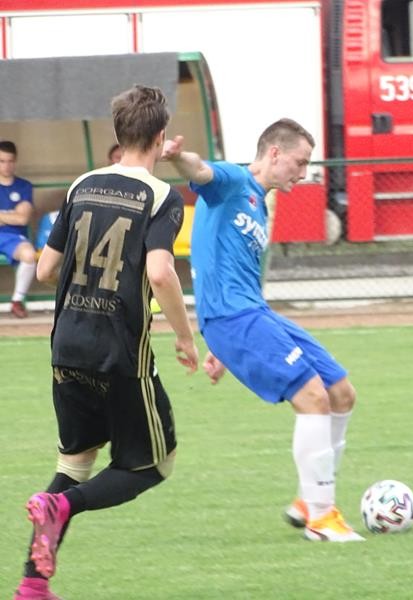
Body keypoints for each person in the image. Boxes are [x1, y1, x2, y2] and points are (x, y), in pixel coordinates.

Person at [14, 85, 198, 600]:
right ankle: (62, 506)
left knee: (74, 464)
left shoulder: (82, 184)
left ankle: (32, 585)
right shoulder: (161, 197)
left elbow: (46, 270)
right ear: (160, 138)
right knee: (152, 464)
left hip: (67, 346)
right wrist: (186, 337)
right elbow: (160, 273)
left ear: (117, 134)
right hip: (119, 353)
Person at [163, 118, 364, 543]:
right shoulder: (234, 181)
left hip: (251, 315)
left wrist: (224, 350)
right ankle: (322, 519)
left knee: (341, 391)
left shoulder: (260, 204)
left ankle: (310, 498)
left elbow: (236, 272)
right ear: (274, 153)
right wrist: (178, 157)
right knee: (312, 396)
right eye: (300, 162)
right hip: (232, 318)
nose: (303, 173)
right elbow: (201, 170)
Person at [35, 144, 124, 254]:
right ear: (110, 160)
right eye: (117, 157)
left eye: (123, 157)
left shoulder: (137, 183)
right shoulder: (98, 180)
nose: (120, 161)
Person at [0, 140, 37, 318]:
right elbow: (16, 216)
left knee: (30, 255)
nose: (6, 166)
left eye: (10, 161)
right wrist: (11, 215)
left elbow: (22, 218)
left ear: (15, 161)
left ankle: (17, 301)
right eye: (2, 161)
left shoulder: (24, 186)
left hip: (13, 237)